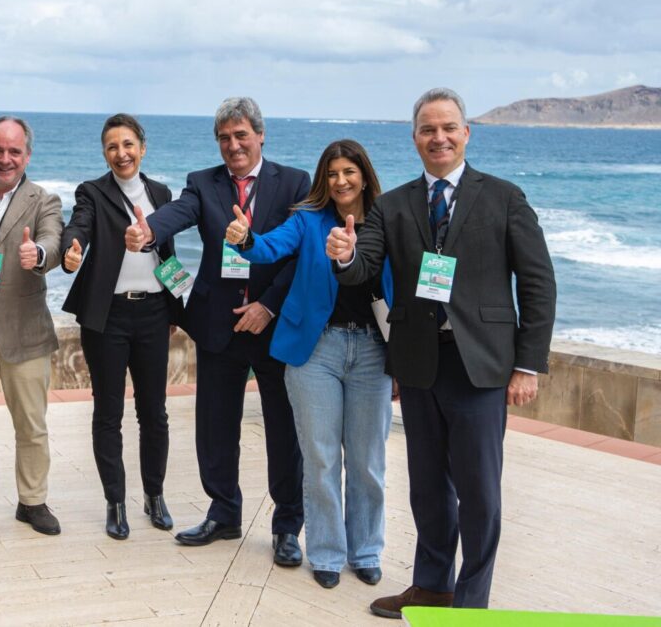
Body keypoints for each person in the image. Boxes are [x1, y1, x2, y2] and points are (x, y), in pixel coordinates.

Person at [326, 88, 556, 617]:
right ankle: (433, 586)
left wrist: (527, 364)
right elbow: (365, 269)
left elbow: (539, 283)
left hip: (483, 367)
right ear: (414, 139)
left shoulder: (504, 197)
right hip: (420, 366)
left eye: (449, 127)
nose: (439, 137)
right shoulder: (391, 205)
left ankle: (472, 601)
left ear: (466, 133)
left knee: (479, 494)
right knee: (429, 490)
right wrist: (344, 256)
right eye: (428, 129)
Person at [125, 97, 308, 566]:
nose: (233, 145)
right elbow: (179, 214)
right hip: (218, 323)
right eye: (224, 138)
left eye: (241, 135)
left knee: (283, 431)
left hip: (270, 324)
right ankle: (224, 513)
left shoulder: (293, 183)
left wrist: (268, 305)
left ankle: (287, 525)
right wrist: (148, 232)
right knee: (215, 428)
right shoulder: (202, 183)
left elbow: (299, 256)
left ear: (260, 136)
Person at [226, 139, 394, 589]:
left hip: (373, 351)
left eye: (349, 172)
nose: (341, 181)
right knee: (320, 459)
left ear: (364, 174)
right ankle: (325, 552)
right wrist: (246, 239)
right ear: (324, 178)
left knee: (367, 461)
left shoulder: (387, 216)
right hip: (316, 350)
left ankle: (365, 550)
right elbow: (268, 248)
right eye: (333, 173)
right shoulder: (307, 220)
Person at [60, 114, 184, 539]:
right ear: (105, 153)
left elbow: (167, 253)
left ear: (142, 147)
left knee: (155, 413)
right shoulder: (92, 192)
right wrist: (69, 251)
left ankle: (155, 495)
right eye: (112, 146)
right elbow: (78, 227)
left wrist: (176, 306)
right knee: (108, 414)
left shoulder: (162, 193)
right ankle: (115, 501)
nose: (121, 153)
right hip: (107, 319)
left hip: (152, 314)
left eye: (128, 144)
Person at [0, 116, 64, 539]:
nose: (6, 159)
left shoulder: (45, 200)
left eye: (14, 151)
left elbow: (54, 242)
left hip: (25, 329)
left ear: (27, 156)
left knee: (32, 426)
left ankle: (32, 501)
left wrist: (36, 253)